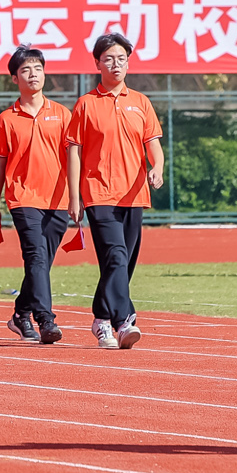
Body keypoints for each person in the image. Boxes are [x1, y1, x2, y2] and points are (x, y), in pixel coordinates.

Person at [65, 31, 163, 351]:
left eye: (121, 59)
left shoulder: (141, 102)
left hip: (134, 193)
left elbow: (153, 144)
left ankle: (101, 318)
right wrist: (74, 195)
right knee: (116, 256)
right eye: (108, 59)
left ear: (129, 63)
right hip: (98, 193)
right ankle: (124, 321)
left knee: (122, 262)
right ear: (97, 63)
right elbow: (74, 150)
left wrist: (158, 168)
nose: (116, 64)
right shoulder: (86, 104)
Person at [0, 47, 73, 344]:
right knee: (36, 256)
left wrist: (77, 198)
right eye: (25, 69)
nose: (33, 74)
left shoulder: (62, 114)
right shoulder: (6, 120)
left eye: (37, 68)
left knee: (41, 264)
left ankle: (21, 313)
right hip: (22, 199)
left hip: (58, 200)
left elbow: (73, 160)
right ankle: (46, 320)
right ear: (15, 78)